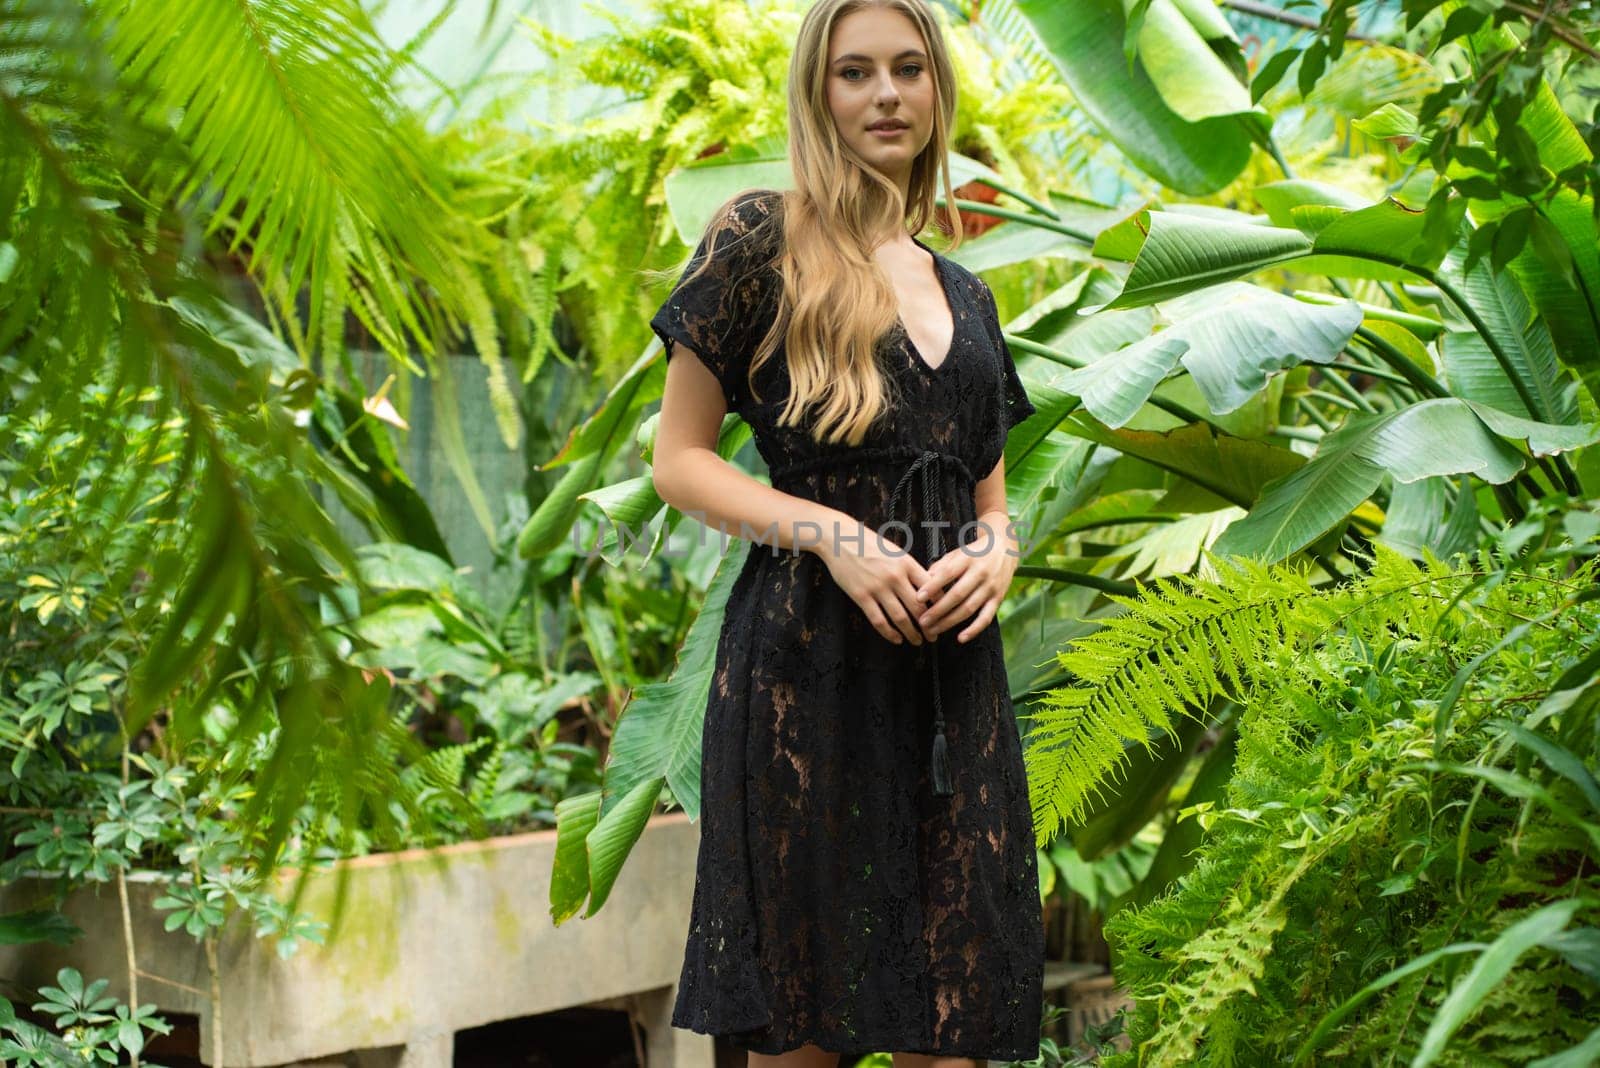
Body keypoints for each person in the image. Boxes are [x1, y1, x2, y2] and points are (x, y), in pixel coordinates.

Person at [647, 1, 1042, 1065]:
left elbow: (991, 498)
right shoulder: (756, 239)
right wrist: (829, 532)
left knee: (950, 1023)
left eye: (908, 70)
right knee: (803, 1031)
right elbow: (676, 460)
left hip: (950, 689)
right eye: (854, 72)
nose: (884, 94)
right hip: (802, 674)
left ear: (936, 89)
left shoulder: (966, 290)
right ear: (817, 92)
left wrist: (999, 551)